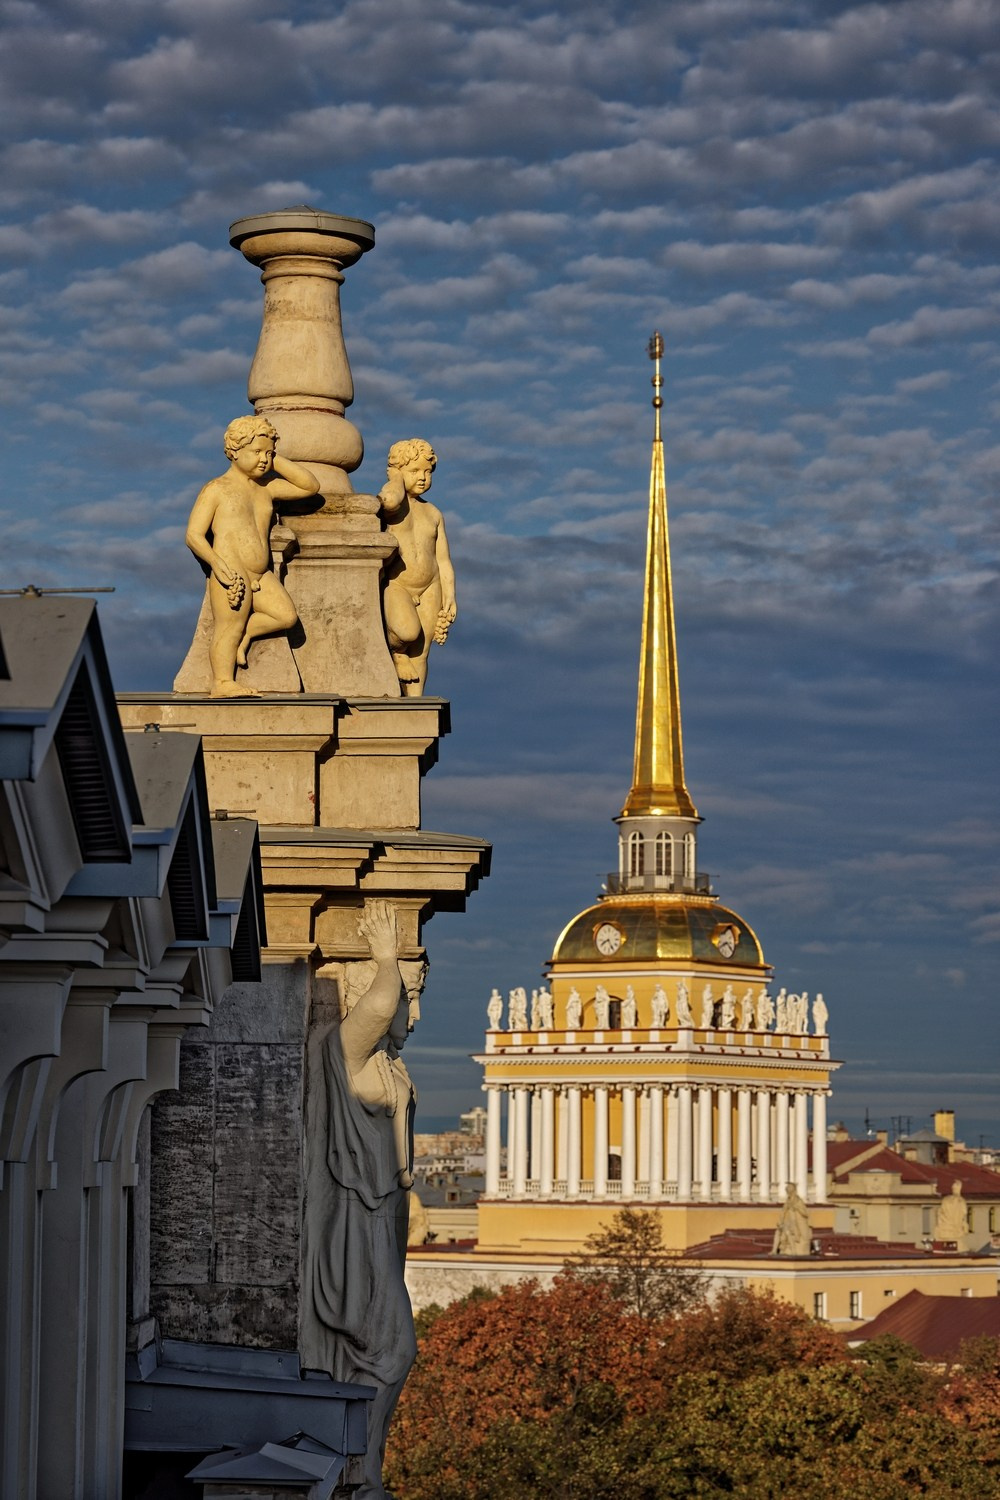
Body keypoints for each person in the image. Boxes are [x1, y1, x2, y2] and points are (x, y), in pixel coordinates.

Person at [300, 901, 424, 1500]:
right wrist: (385, 957)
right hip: (356, 1218)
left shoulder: (387, 1064)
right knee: (391, 1348)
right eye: (409, 992)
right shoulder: (345, 1050)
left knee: (393, 1352)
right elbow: (377, 1006)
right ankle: (358, 1472)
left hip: (381, 1217)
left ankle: (361, 1468)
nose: (411, 1009)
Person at [184, 415, 319, 696]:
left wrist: (273, 455)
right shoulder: (217, 489)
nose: (263, 459)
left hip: (260, 572)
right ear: (234, 452)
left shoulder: (266, 488)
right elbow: (193, 535)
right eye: (256, 452)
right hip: (231, 570)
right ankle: (222, 682)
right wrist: (217, 565)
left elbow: (310, 486)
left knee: (286, 615)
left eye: (268, 454)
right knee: (228, 627)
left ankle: (247, 635)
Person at [378, 439, 456, 695]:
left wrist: (450, 596)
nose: (422, 478)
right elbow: (389, 500)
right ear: (397, 472)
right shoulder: (392, 508)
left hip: (430, 586)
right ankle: (396, 652)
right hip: (398, 584)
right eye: (414, 471)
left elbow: (443, 560)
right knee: (407, 633)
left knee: (421, 652)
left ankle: (414, 700)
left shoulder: (433, 513)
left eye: (427, 472)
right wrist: (397, 479)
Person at [772, 1183, 811, 1256]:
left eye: (789, 1192)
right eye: (787, 1192)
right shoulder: (788, 1201)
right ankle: (774, 1250)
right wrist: (780, 1222)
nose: (788, 1194)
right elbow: (783, 1211)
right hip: (790, 1222)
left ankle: (793, 1252)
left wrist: (797, 1208)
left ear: (793, 1191)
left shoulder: (799, 1201)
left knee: (789, 1232)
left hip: (798, 1223)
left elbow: (805, 1214)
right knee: (778, 1231)